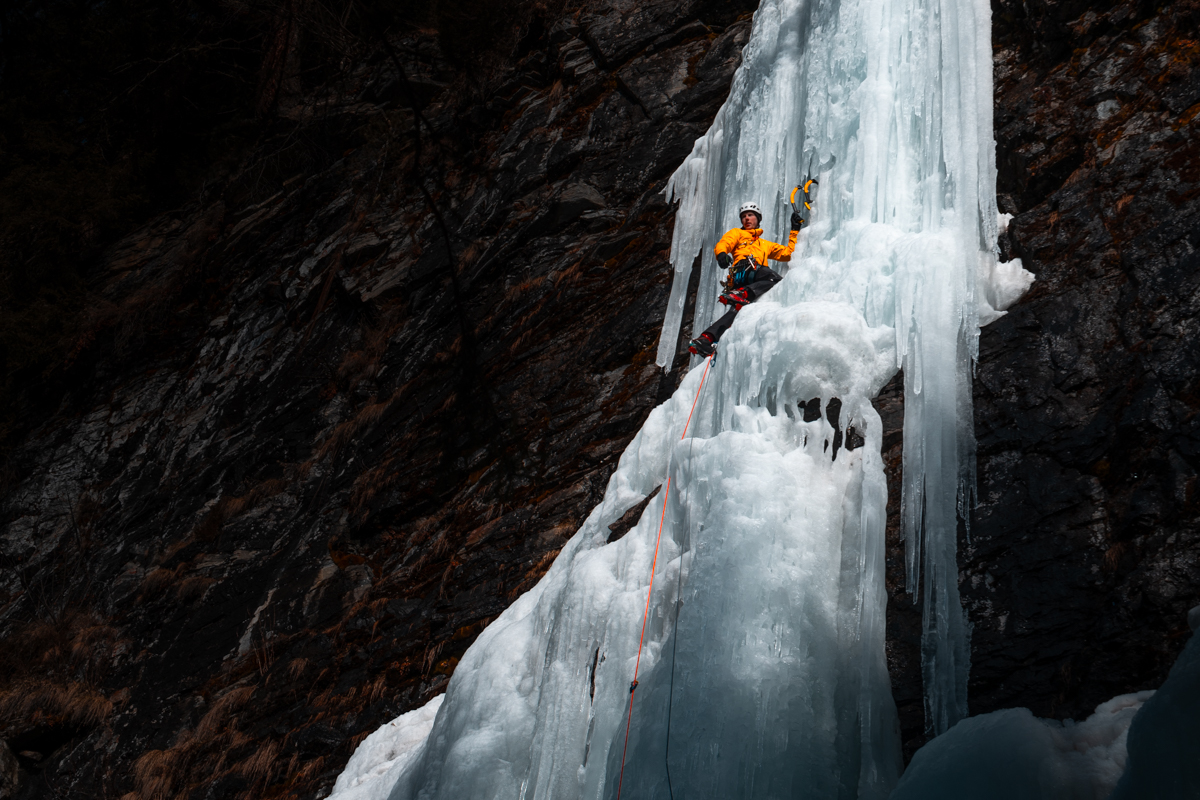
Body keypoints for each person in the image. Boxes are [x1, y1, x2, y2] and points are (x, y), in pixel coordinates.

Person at [687, 201, 805, 357]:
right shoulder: (737, 233)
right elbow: (724, 243)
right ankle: (743, 293)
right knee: (774, 279)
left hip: (750, 280)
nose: (746, 219)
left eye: (750, 215)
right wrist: (722, 254)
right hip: (745, 270)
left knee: (736, 312)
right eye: (743, 216)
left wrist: (794, 231)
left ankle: (705, 339)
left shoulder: (765, 244)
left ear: (758, 218)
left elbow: (788, 254)